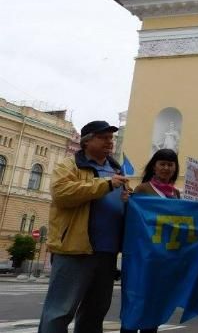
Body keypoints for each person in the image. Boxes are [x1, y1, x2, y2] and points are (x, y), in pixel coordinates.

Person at [39, 120, 129, 333]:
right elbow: (62, 194)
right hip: (75, 250)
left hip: (107, 253)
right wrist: (106, 185)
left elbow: (119, 203)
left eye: (111, 138)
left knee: (95, 313)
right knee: (60, 311)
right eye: (104, 137)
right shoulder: (70, 165)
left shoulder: (116, 168)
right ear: (87, 141)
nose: (110, 142)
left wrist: (127, 199)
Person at [120, 149, 181, 333]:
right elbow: (133, 220)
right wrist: (126, 203)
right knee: (136, 300)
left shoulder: (176, 194)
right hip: (142, 256)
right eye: (162, 163)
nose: (166, 168)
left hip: (164, 259)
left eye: (170, 164)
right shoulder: (142, 189)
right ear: (154, 166)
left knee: (154, 303)